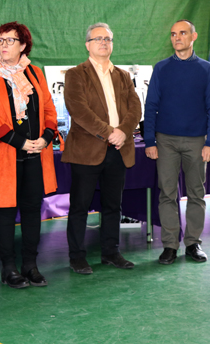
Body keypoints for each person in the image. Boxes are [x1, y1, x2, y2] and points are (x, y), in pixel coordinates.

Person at [0, 21, 59, 289]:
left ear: (23, 45)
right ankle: (9, 268)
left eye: (10, 40)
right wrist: (21, 142)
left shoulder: (35, 73)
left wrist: (45, 138)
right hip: (6, 156)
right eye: (0, 40)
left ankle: (30, 265)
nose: (3, 45)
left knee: (32, 210)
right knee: (5, 212)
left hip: (36, 155)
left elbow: (49, 110)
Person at [62, 23, 141, 275]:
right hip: (86, 151)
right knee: (80, 207)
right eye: (98, 39)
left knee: (113, 206)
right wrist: (110, 132)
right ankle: (77, 257)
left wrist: (123, 132)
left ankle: (111, 252)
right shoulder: (76, 74)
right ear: (88, 45)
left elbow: (135, 108)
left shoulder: (123, 76)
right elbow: (79, 111)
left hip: (119, 149)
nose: (104, 42)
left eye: (108, 39)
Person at [144, 19, 210, 265]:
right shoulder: (161, 69)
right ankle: (169, 245)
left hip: (197, 142)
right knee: (167, 194)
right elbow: (151, 105)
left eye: (182, 33)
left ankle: (193, 243)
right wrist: (150, 141)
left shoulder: (206, 69)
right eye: (173, 34)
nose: (177, 38)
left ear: (193, 36)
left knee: (196, 194)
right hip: (165, 141)